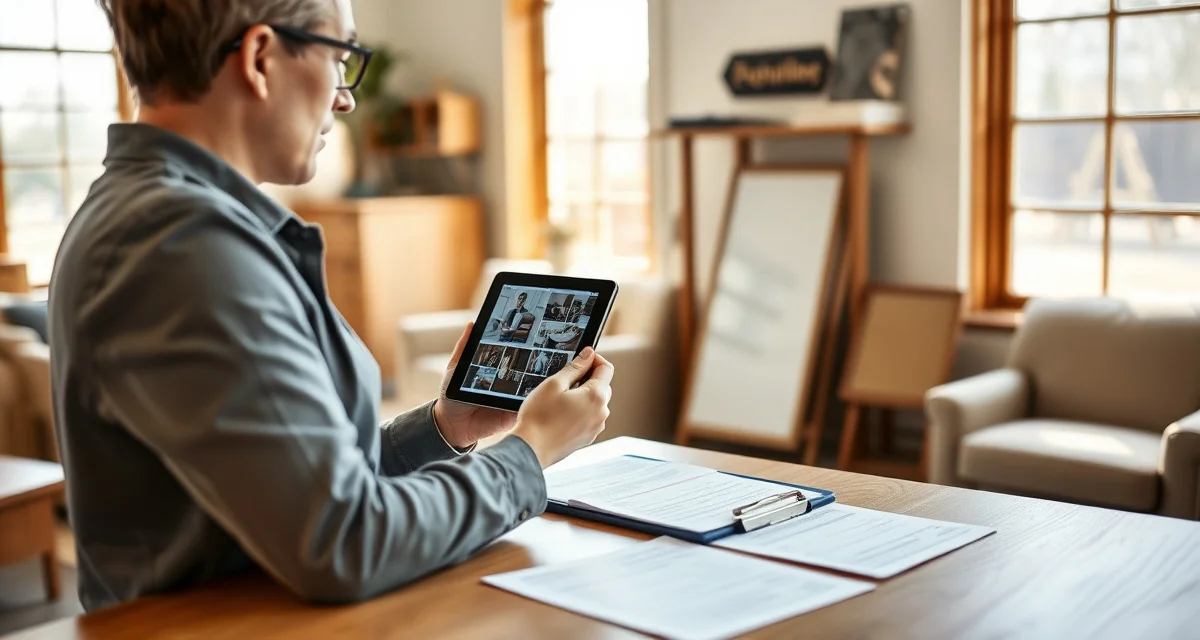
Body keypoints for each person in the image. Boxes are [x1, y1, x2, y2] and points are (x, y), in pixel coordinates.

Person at [49, 0, 614, 612]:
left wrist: (443, 429)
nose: (346, 99)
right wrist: (528, 454)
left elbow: (290, 486)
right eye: (340, 57)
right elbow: (345, 540)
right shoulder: (181, 247)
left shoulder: (173, 224)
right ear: (262, 58)